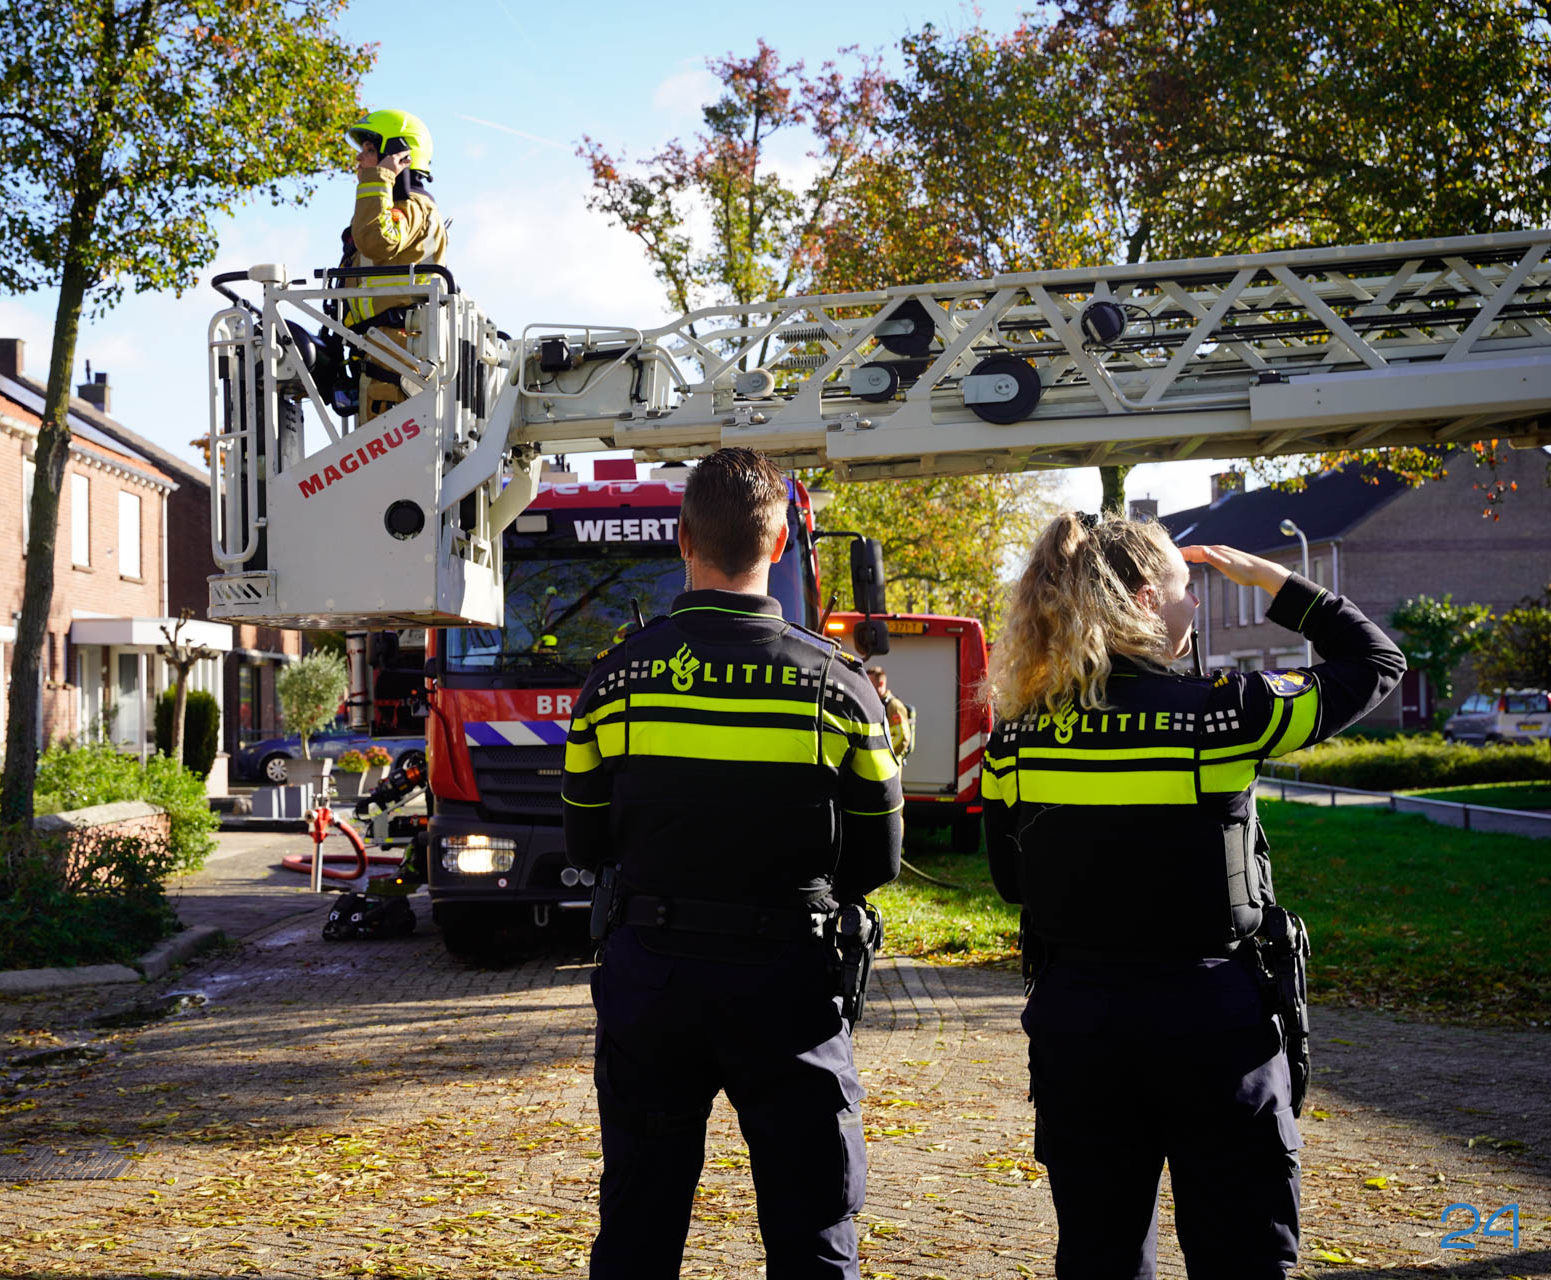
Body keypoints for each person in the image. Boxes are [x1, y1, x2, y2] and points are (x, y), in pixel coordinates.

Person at [981, 511, 1404, 1280]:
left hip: (1079, 1024)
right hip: (1213, 1022)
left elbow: (1012, 880)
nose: (1195, 606)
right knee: (1243, 1251)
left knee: (1100, 1254)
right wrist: (1277, 584)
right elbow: (1375, 661)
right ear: (1145, 600)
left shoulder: (1018, 733)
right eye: (1184, 590)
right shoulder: (1226, 712)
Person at [563, 447, 904, 1279]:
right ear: (781, 540)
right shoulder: (839, 687)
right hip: (788, 986)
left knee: (639, 1228)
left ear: (682, 539)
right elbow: (880, 856)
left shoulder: (617, 682)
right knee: (814, 1233)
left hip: (652, 982)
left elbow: (584, 841)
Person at [341, 108, 448, 422]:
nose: (360, 159)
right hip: (383, 348)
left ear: (398, 156)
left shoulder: (413, 207)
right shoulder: (396, 207)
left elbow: (377, 240)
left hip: (397, 351)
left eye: (370, 150)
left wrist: (380, 177)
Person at [866, 664, 914, 761]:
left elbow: (902, 737)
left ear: (881, 684)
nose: (867, 687)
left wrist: (883, 755)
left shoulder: (894, 706)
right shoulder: (874, 703)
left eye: (870, 683)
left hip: (889, 766)